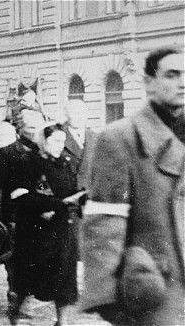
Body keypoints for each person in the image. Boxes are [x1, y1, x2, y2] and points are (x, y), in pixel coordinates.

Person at [81, 47, 184, 326]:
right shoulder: (120, 138)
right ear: (149, 83)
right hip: (155, 290)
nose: (183, 82)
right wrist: (108, 300)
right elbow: (104, 223)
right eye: (172, 74)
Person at [10, 123, 85, 326]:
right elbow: (21, 196)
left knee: (65, 277)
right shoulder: (27, 162)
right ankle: (17, 311)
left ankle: (62, 322)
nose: (60, 145)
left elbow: (71, 190)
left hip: (62, 229)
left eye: (62, 141)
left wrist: (81, 198)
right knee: (32, 276)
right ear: (43, 141)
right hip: (36, 231)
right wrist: (58, 203)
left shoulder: (65, 163)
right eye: (55, 141)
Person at [0, 108, 45, 314]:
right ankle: (16, 297)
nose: (36, 131)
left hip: (41, 213)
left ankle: (26, 296)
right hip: (15, 215)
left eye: (39, 126)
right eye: (31, 127)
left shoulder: (44, 151)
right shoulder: (7, 153)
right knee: (16, 258)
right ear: (20, 129)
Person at [62, 99, 97, 191]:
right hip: (67, 195)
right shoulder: (58, 136)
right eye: (75, 113)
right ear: (66, 115)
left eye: (82, 113)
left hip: (90, 193)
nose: (79, 117)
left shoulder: (95, 137)